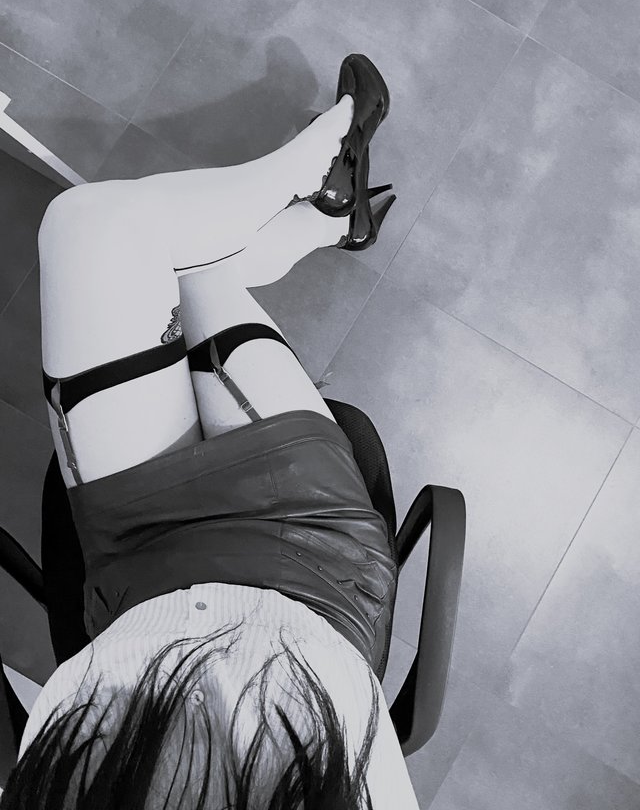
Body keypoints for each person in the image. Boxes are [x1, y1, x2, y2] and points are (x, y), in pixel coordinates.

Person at [0, 55, 420, 808]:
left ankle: (323, 204)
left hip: (134, 577)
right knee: (184, 267)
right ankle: (319, 190)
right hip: (302, 574)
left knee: (100, 232)